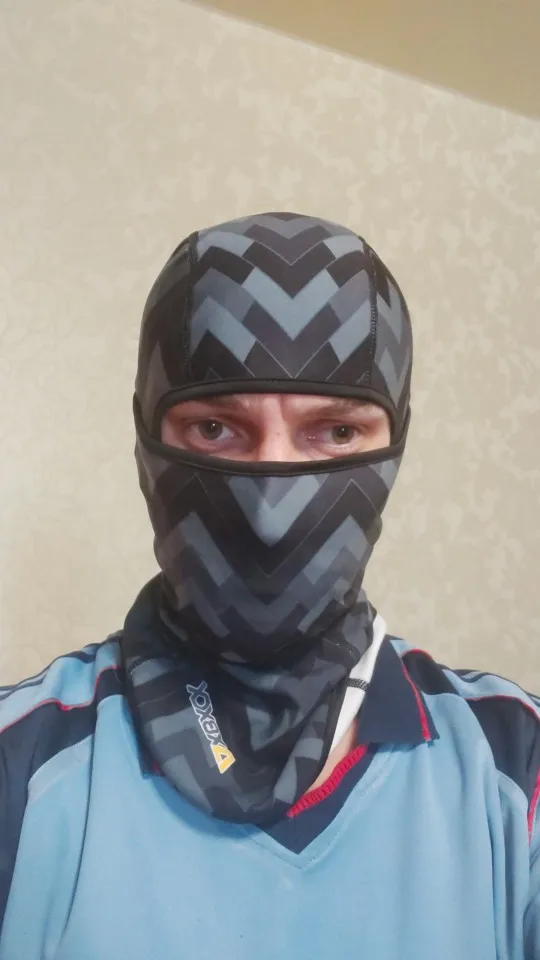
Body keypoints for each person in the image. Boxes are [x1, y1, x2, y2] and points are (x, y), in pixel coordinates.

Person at [0, 211, 538, 960]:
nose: (270, 508)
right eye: (215, 429)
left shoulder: (516, 767)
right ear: (146, 440)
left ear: (396, 444)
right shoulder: (20, 767)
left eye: (337, 432)